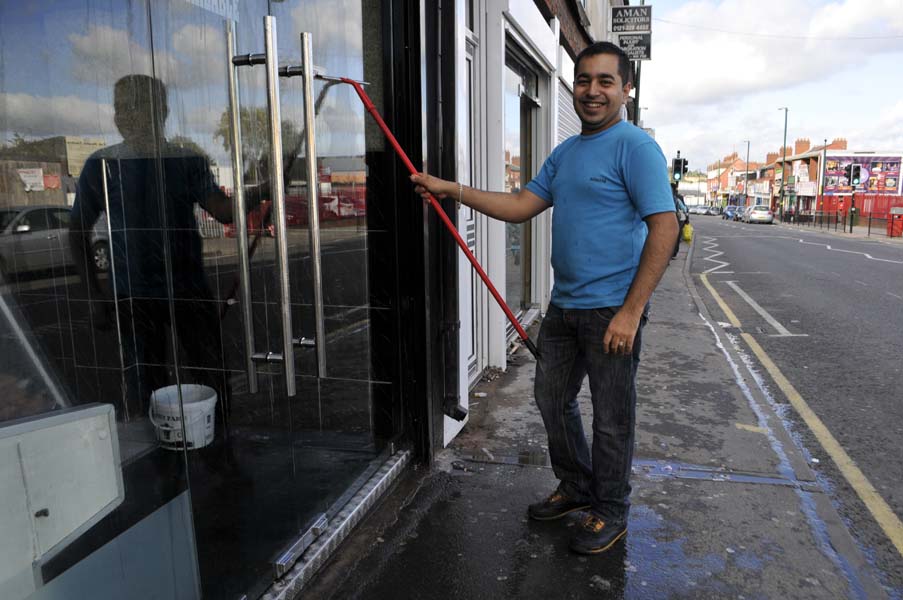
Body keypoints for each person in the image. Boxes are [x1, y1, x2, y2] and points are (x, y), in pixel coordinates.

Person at [411, 41, 678, 555]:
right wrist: (450, 189)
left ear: (627, 89)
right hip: (565, 306)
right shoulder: (566, 153)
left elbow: (663, 228)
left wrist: (631, 311)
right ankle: (578, 486)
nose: (592, 91)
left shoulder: (636, 148)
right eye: (584, 81)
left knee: (611, 416)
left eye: (605, 81)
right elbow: (517, 205)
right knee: (552, 401)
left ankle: (611, 510)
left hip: (611, 311)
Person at [69, 74, 239, 419]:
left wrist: (266, 188)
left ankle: (219, 446)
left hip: (188, 290)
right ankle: (166, 457)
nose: (126, 116)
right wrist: (95, 295)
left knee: (212, 378)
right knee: (147, 385)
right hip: (133, 296)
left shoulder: (187, 161)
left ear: (161, 111)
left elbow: (222, 212)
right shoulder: (101, 165)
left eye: (137, 106)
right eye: (121, 108)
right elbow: (76, 231)